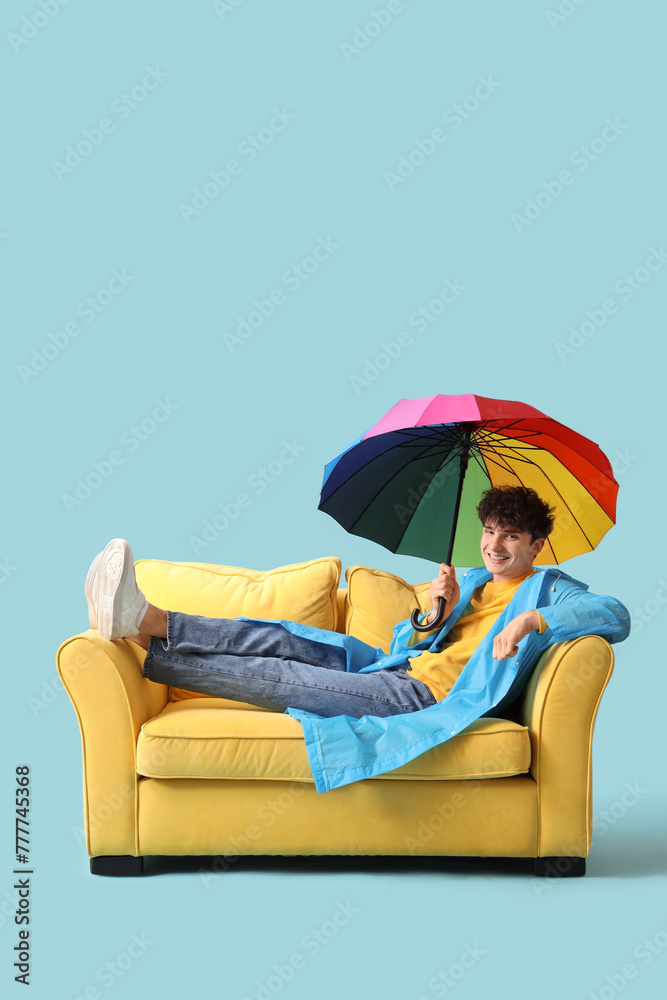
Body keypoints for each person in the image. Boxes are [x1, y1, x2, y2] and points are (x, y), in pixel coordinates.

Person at [84, 486, 630, 724]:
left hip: (422, 698)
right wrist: (434, 613)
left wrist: (534, 620)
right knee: (278, 636)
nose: (495, 545)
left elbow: (615, 614)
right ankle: (150, 619)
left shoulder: (551, 588)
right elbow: (404, 644)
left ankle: (135, 633)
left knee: (280, 678)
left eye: (511, 537)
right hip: (391, 666)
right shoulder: (469, 583)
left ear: (535, 545)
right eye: (489, 531)